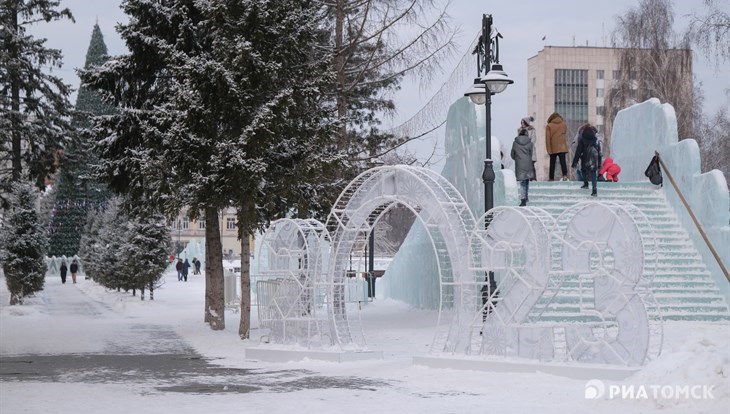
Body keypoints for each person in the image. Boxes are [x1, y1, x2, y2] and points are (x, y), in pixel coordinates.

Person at [572, 127, 601, 197]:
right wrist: (599, 163)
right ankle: (594, 190)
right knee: (593, 173)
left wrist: (575, 162)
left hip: (585, 157)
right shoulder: (595, 140)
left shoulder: (582, 140)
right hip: (594, 159)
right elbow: (599, 152)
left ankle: (586, 183)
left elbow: (578, 151)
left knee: (583, 170)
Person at [511, 128, 535, 206]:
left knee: (522, 182)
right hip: (528, 163)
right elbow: (531, 153)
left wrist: (517, 158)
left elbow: (512, 154)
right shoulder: (530, 143)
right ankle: (526, 196)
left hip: (519, 164)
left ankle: (523, 199)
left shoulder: (515, 143)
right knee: (526, 180)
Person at [545, 112, 569, 181]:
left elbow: (547, 139)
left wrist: (549, 150)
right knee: (563, 162)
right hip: (562, 146)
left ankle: (551, 178)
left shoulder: (549, 126)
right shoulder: (563, 124)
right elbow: (565, 133)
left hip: (553, 147)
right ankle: (565, 175)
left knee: (552, 163)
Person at [520, 116, 537, 180]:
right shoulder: (520, 130)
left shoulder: (532, 130)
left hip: (530, 150)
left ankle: (533, 179)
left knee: (531, 165)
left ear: (526, 123)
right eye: (521, 123)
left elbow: (533, 139)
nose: (522, 124)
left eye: (523, 122)